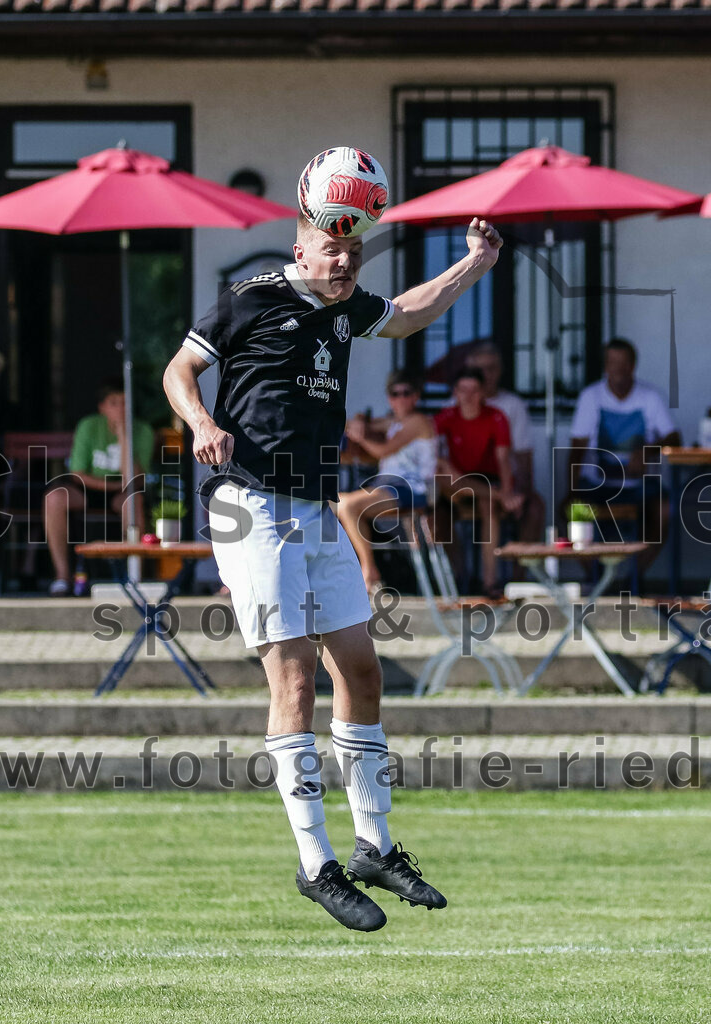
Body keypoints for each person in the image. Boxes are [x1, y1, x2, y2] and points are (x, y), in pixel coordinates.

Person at [163, 207, 502, 932]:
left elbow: (410, 313)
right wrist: (202, 423)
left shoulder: (348, 310)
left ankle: (374, 848)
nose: (344, 261)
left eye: (352, 249)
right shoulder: (251, 296)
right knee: (294, 679)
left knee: (361, 670)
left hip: (316, 506)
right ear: (300, 250)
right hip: (247, 505)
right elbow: (179, 368)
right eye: (330, 249)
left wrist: (475, 264)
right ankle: (314, 863)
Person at [565, 338, 680, 570]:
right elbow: (576, 450)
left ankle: (633, 579)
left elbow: (674, 439)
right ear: (605, 366)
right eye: (612, 362)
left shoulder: (650, 397)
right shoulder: (591, 396)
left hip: (639, 487)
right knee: (573, 513)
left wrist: (646, 450)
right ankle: (597, 580)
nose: (618, 368)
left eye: (624, 363)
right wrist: (571, 490)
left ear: (633, 365)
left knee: (665, 510)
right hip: (596, 485)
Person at [43, 378, 153, 596]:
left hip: (125, 490)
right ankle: (62, 576)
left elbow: (135, 478)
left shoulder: (143, 430)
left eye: (124, 402)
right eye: (113, 402)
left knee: (133, 501)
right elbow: (77, 474)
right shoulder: (89, 425)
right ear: (102, 407)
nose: (120, 408)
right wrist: (113, 486)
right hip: (91, 487)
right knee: (54, 498)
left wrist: (123, 434)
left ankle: (133, 576)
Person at [337, 371, 438, 594]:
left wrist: (361, 436)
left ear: (416, 397)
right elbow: (358, 422)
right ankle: (348, 573)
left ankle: (369, 570)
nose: (400, 398)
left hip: (414, 489)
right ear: (389, 398)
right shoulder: (393, 422)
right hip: (389, 486)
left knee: (347, 505)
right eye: (395, 394)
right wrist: (360, 423)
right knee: (336, 504)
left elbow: (385, 450)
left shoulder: (418, 421)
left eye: (406, 393)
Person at [434, 366, 523, 598]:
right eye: (463, 390)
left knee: (488, 505)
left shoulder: (496, 416)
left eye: (474, 390)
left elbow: (503, 459)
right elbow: (429, 447)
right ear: (455, 392)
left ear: (483, 392)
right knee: (439, 496)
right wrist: (445, 464)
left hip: (488, 479)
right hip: (457, 485)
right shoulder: (446, 417)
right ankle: (458, 576)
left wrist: (507, 489)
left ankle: (490, 582)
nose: (469, 396)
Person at [465, 341, 545, 549]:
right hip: (464, 485)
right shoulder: (453, 408)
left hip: (504, 483)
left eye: (491, 368)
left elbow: (520, 456)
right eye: (479, 370)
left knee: (534, 507)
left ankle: (518, 578)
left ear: (500, 371)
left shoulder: (510, 408)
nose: (486, 375)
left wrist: (523, 491)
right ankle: (458, 578)